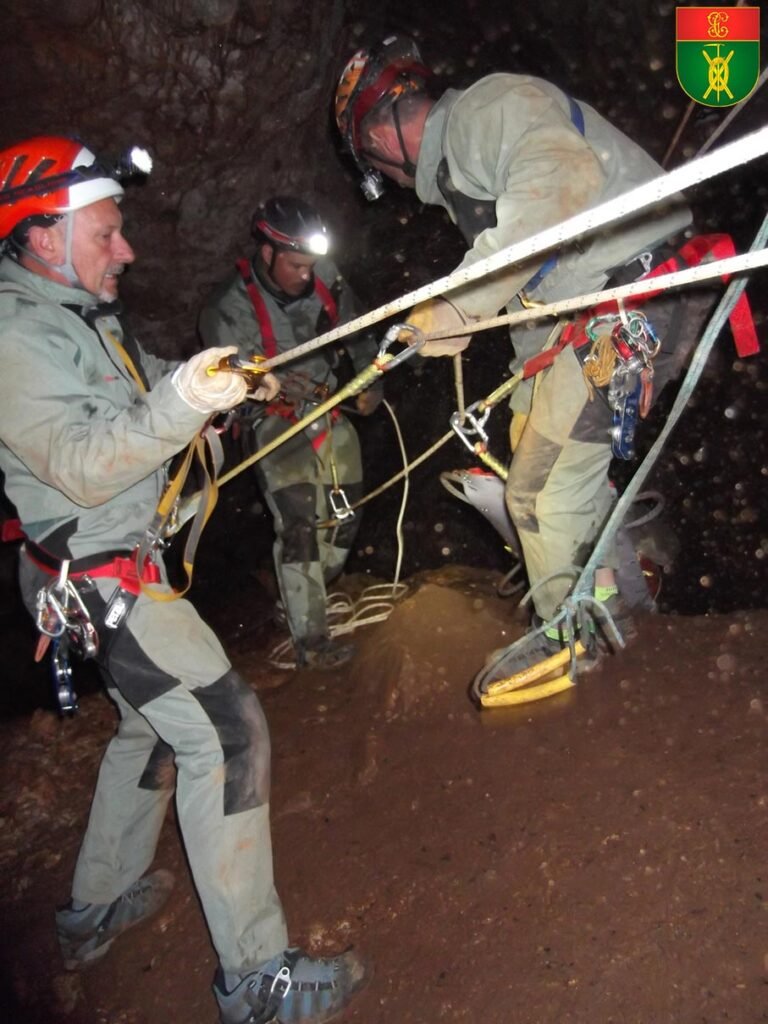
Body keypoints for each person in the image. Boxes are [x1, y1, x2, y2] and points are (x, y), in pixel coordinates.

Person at [0, 135, 366, 1023]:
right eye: (106, 233)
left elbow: (136, 386)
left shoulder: (79, 314)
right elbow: (83, 463)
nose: (126, 249)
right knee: (229, 733)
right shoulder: (14, 336)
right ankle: (258, 980)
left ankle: (94, 908)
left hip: (111, 565)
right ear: (44, 236)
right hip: (98, 578)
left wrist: (213, 379)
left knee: (152, 729)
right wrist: (182, 405)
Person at [334, 34, 715, 676]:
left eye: (374, 162)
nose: (391, 180)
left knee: (540, 487)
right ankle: (611, 605)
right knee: (527, 432)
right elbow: (537, 288)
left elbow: (558, 188)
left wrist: (458, 303)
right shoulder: (465, 177)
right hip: (598, 305)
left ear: (377, 136)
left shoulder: (481, 113)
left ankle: (569, 636)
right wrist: (520, 380)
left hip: (635, 292)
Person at [199, 196, 383, 671]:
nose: (305, 275)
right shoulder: (228, 309)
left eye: (310, 265)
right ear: (267, 253)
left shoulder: (325, 279)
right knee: (299, 522)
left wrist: (371, 379)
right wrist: (262, 387)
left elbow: (358, 330)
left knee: (346, 515)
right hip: (273, 419)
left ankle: (297, 596)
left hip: (328, 407)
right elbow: (222, 383)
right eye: (295, 265)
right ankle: (312, 641)